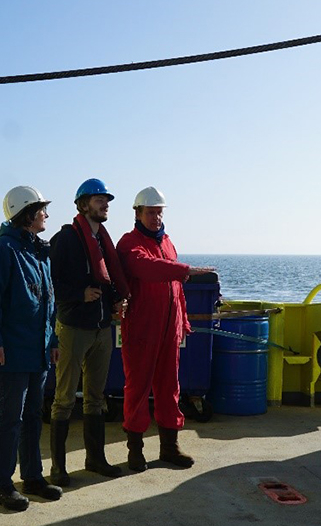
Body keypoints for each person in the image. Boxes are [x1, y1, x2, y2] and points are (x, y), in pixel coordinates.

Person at [0, 185, 64, 511]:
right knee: (9, 419)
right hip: (10, 352)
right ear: (27, 213)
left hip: (36, 352)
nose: (47, 215)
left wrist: (51, 341)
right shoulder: (3, 250)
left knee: (33, 418)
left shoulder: (37, 252)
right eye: (42, 210)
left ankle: (33, 477)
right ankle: (1, 485)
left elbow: (48, 302)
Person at [116, 186, 214, 471]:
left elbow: (176, 290)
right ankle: (135, 449)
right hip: (142, 330)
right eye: (151, 212)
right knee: (137, 387)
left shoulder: (168, 242)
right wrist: (186, 270)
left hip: (169, 329)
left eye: (159, 212)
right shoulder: (129, 244)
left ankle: (169, 447)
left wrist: (182, 320)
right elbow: (147, 267)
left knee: (170, 387)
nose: (156, 217)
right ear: (137, 213)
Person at [47, 178, 127, 486]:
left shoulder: (103, 241)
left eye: (106, 199)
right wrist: (79, 294)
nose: (105, 204)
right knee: (64, 398)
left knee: (96, 398)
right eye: (98, 199)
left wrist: (117, 298)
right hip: (74, 328)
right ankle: (58, 468)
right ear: (83, 205)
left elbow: (109, 279)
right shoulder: (66, 239)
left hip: (102, 328)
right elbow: (51, 283)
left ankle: (95, 459)